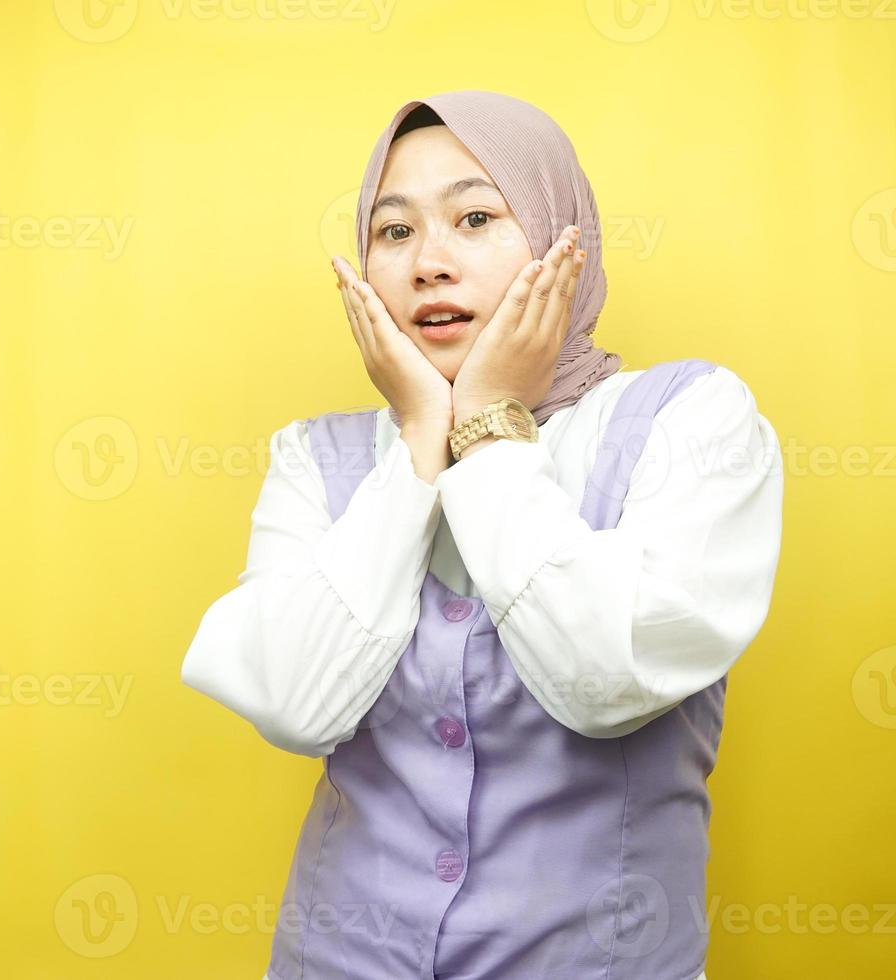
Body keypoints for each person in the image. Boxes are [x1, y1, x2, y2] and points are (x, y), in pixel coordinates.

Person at [180, 89, 783, 980]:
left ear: (559, 237)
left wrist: (491, 427)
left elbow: (607, 680)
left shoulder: (689, 420)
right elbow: (293, 707)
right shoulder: (318, 459)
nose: (430, 263)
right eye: (394, 233)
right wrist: (423, 441)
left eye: (475, 217)